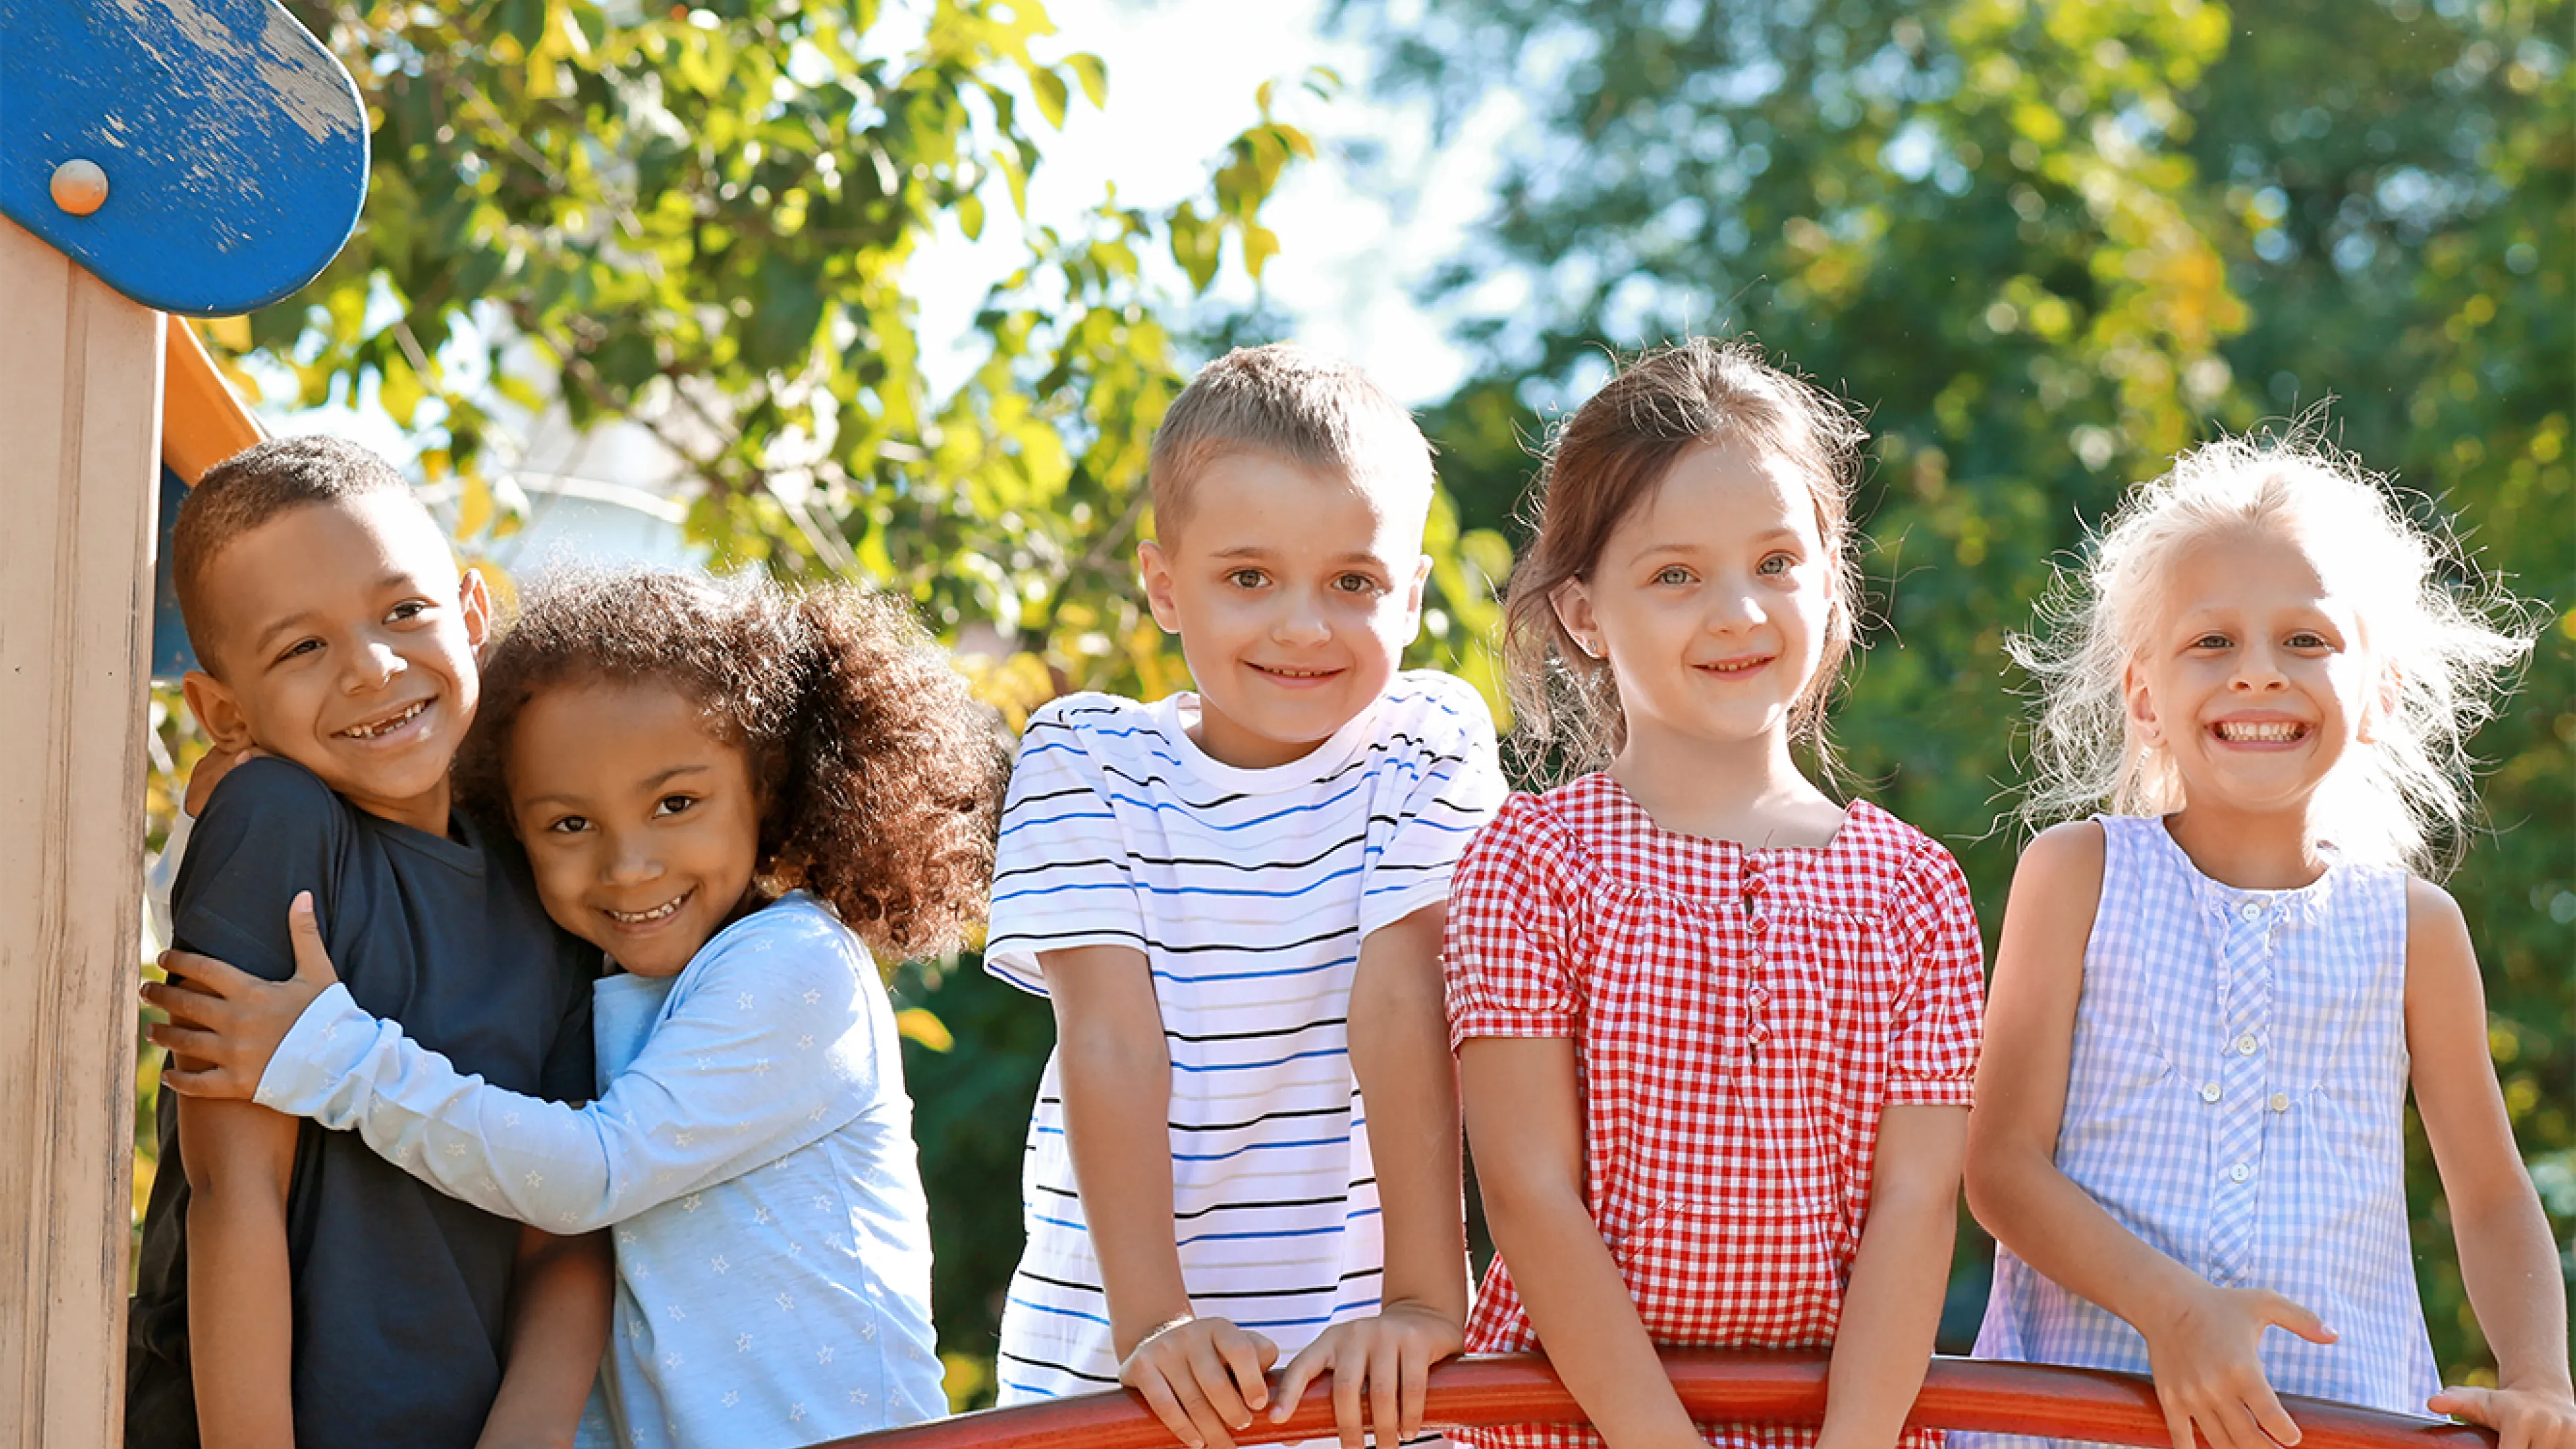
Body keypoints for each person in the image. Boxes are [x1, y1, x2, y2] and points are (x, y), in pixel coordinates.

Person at [143, 568, 1000, 1449]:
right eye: (568, 825)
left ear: (770, 789)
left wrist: (336, 1059)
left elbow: (593, 1173)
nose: (629, 865)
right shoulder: (597, 971)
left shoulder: (798, 965)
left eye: (676, 804)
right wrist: (215, 834)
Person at [1966, 436, 2576, 1449]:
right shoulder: (2077, 874)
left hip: (2336, 1426)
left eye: (2307, 641)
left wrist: (2542, 1378)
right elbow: (2001, 1169)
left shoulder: (2415, 928)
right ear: (2144, 695)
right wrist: (2175, 1310)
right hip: (2083, 1421)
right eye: (2212, 643)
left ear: (2376, 694)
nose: (2258, 676)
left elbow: (2491, 1194)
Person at [1444, 338, 1986, 1449]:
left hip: (1842, 1428)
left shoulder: (1916, 891)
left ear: (1833, 579)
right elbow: (1531, 1194)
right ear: (1587, 615)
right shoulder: (1535, 859)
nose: (1737, 611)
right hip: (1573, 1423)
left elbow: (1916, 1205)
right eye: (1675, 575)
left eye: (1777, 562)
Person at [985, 343, 1506, 1449]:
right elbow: (1112, 1039)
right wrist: (1155, 1325)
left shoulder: (1425, 743)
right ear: (1165, 587)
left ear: (1411, 597)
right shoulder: (1088, 759)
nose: (1304, 626)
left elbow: (1407, 996)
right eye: (1249, 578)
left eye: (1353, 583)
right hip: (1111, 1359)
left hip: (1364, 1368)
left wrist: (1423, 1301)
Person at [125, 435, 607, 1449]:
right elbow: (232, 1186)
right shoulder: (276, 819)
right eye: (301, 648)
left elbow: (562, 1233)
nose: (373, 668)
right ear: (222, 712)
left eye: (404, 612)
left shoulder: (541, 873)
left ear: (472, 616)